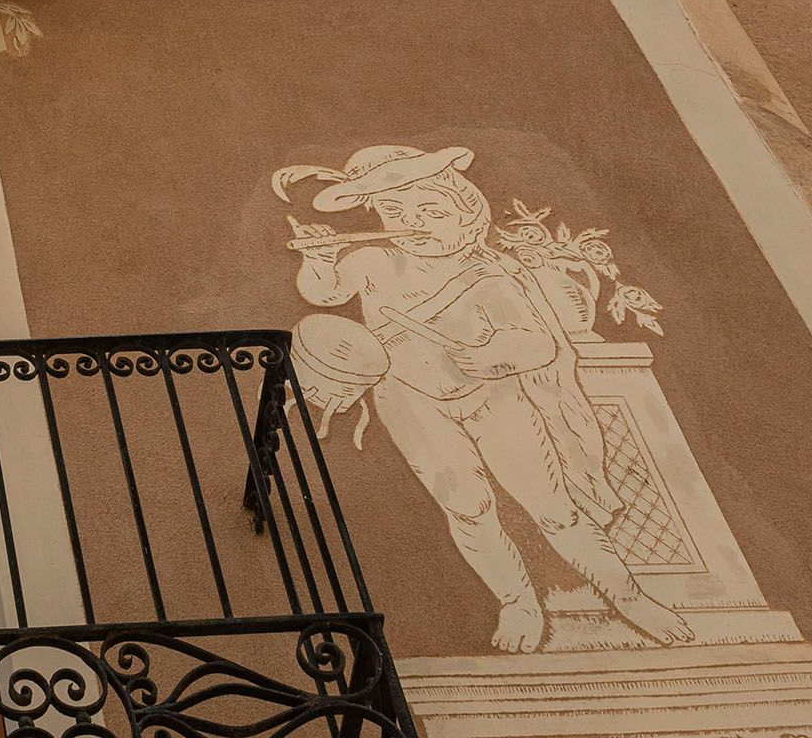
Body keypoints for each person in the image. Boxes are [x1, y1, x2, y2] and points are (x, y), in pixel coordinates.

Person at [282, 145, 691, 655]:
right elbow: (324, 294)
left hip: (494, 398)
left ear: (465, 211)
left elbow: (538, 344)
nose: (413, 222)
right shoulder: (370, 260)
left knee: (553, 509)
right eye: (394, 211)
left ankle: (629, 598)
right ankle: (518, 603)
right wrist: (319, 261)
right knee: (468, 508)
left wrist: (496, 355)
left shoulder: (491, 277)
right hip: (411, 402)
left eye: (430, 209)